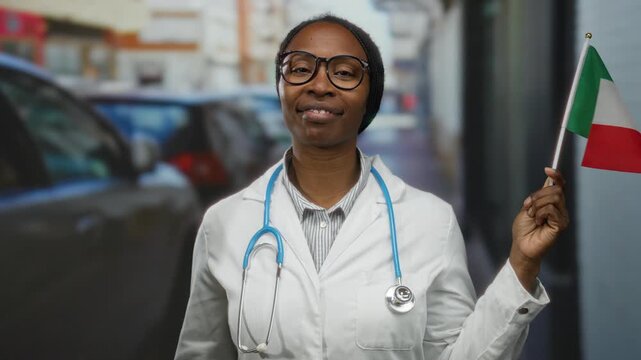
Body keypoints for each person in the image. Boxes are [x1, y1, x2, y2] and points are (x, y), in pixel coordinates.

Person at [174, 14, 569, 360]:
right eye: (299, 69)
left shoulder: (430, 221)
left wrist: (521, 264)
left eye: (344, 72)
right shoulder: (224, 224)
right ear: (281, 86)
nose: (320, 85)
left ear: (371, 96)